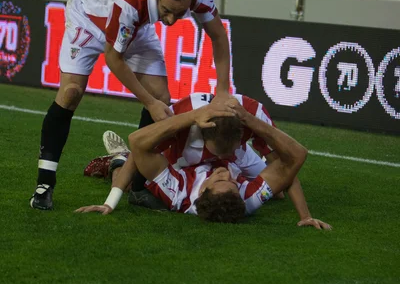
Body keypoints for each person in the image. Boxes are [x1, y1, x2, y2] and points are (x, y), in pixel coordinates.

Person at [30, 0, 231, 210]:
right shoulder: (130, 0)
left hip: (136, 26)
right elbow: (114, 59)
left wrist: (223, 89)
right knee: (71, 93)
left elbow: (219, 35)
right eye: (167, 10)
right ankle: (45, 184)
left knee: (162, 95)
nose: (170, 20)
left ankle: (138, 187)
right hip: (89, 18)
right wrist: (149, 103)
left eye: (180, 14)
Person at [78, 92, 330, 229]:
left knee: (138, 183)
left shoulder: (179, 193)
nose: (224, 172)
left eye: (218, 179)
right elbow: (294, 158)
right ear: (240, 192)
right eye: (233, 181)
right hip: (215, 145)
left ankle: (117, 161)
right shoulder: (248, 199)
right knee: (278, 193)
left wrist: (110, 203)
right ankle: (120, 162)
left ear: (201, 193)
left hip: (191, 159)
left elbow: (139, 142)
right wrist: (305, 216)